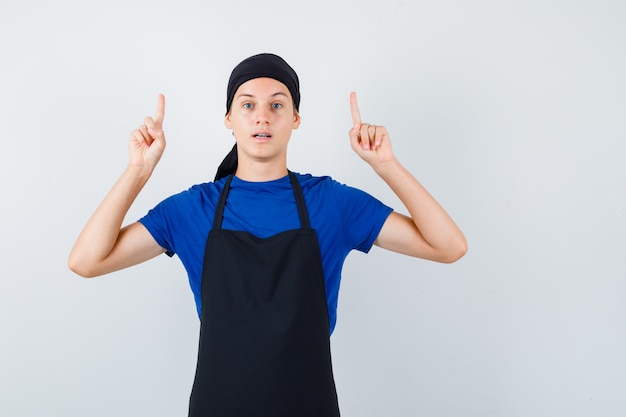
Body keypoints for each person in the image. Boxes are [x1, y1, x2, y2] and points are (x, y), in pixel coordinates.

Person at [68, 53, 467, 416]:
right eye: (248, 105)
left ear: (295, 118)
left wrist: (387, 165)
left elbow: (448, 246)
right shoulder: (193, 209)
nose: (262, 117)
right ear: (229, 119)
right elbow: (86, 261)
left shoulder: (331, 203)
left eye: (277, 104)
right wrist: (139, 170)